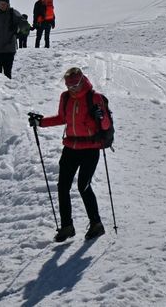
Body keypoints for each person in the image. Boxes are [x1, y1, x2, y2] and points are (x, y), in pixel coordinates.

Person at [28, 67, 111, 242]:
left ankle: (96, 224)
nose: (71, 88)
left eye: (74, 85)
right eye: (68, 85)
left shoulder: (94, 98)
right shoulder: (65, 98)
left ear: (82, 81)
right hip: (71, 147)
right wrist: (40, 122)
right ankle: (67, 227)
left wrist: (101, 116)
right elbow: (62, 118)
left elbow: (105, 126)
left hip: (90, 148)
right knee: (62, 187)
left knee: (83, 186)